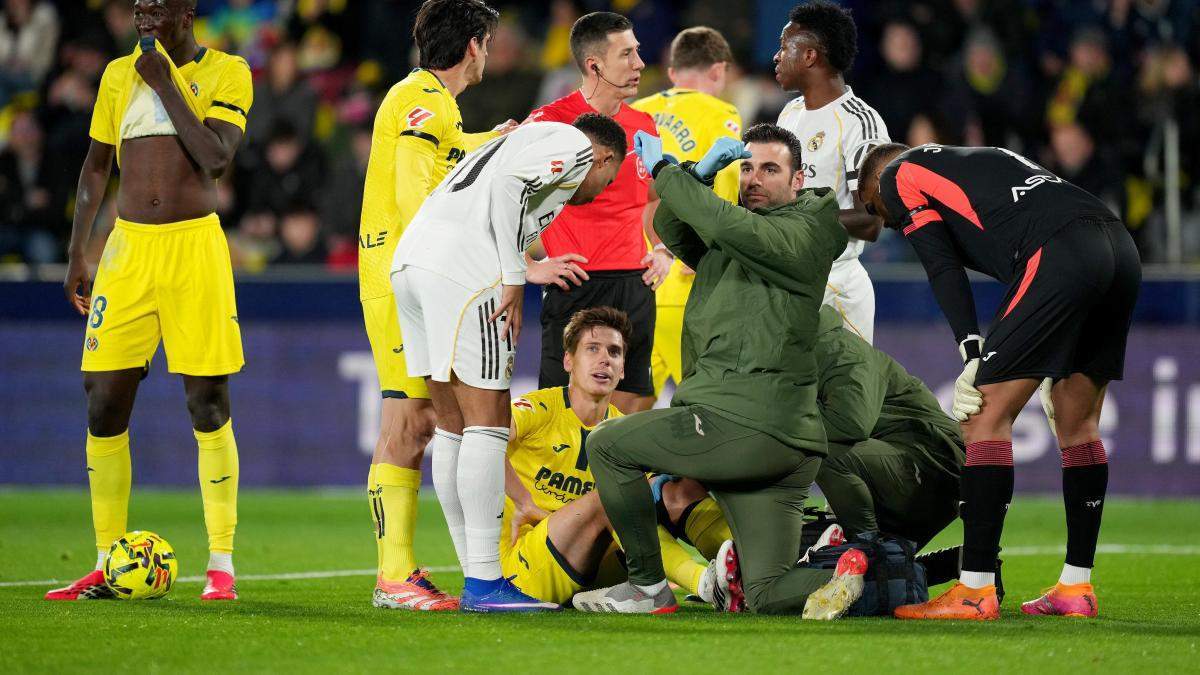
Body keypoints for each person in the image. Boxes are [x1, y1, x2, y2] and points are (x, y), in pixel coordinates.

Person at [574, 124, 862, 618]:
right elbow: (673, 228)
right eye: (746, 167)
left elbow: (727, 226)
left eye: (770, 169)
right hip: (782, 441)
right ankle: (877, 578)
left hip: (743, 420)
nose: (753, 178)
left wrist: (667, 170)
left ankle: (646, 587)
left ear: (799, 181)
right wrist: (698, 176)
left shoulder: (810, 227)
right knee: (768, 591)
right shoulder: (742, 237)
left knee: (608, 444)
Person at [857, 142, 1141, 620]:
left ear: (876, 182)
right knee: (1078, 419)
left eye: (872, 207)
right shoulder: (979, 157)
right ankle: (1076, 587)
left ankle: (974, 590)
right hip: (1119, 246)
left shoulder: (898, 175)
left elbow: (942, 268)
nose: (883, 221)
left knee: (982, 416)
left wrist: (971, 351)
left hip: (1059, 249)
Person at [49, 0, 253, 601]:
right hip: (127, 252)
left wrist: (164, 81)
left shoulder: (228, 71)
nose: (142, 14)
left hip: (195, 249)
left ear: (185, 12)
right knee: (103, 399)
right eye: (137, 6)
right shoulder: (117, 75)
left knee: (207, 401)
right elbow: (95, 167)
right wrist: (77, 251)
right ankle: (107, 557)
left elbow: (215, 157)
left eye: (156, 6)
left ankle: (221, 562)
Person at [390, 113, 626, 612]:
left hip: (413, 265)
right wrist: (514, 277)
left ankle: (478, 576)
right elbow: (506, 189)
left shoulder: (522, 140)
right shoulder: (574, 146)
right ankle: (484, 584)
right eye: (608, 178)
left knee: (453, 427)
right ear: (604, 158)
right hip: (463, 272)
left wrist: (531, 265)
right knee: (489, 425)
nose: (600, 190)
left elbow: (492, 197)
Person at [357, 0, 512, 612]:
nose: (490, 55)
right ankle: (392, 573)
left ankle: (399, 568)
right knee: (408, 419)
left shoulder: (432, 104)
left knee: (419, 418)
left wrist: (491, 143)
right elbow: (419, 194)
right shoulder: (421, 101)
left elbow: (445, 157)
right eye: (490, 44)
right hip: (400, 274)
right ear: (474, 46)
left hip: (407, 273)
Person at [501, 306, 724, 607]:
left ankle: (747, 574)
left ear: (622, 371)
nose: (604, 359)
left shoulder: (624, 427)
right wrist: (523, 500)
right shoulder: (538, 409)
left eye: (614, 352)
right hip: (525, 569)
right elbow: (483, 440)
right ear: (568, 360)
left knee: (671, 489)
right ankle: (705, 584)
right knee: (612, 498)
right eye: (592, 349)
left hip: (591, 565)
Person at [526, 11, 666, 414]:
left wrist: (661, 249)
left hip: (636, 285)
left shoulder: (645, 126)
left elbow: (652, 198)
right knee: (559, 421)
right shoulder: (548, 123)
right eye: (627, 54)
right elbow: (502, 201)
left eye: (637, 52)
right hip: (576, 284)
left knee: (623, 423)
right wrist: (527, 266)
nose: (640, 63)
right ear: (594, 65)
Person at [631, 26, 742, 399]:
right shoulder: (721, 114)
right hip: (687, 284)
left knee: (620, 412)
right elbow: (724, 195)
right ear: (718, 70)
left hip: (635, 278)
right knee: (705, 408)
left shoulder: (635, 112)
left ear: (673, 72)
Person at [774, 1, 889, 344]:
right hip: (788, 280)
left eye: (784, 47)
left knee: (841, 397)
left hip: (835, 286)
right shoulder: (789, 114)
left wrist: (796, 223)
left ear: (809, 56)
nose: (776, 57)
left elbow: (870, 222)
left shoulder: (860, 123)